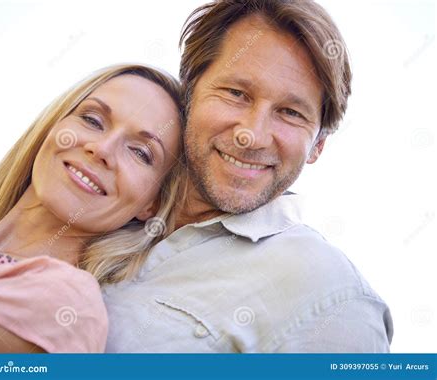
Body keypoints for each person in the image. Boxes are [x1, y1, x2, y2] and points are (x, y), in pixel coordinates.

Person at [103, 0, 393, 352]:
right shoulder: (103, 203)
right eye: (236, 94)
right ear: (189, 93)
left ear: (318, 145)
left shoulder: (334, 296)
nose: (251, 136)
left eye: (290, 113)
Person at [0, 64, 182, 353]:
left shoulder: (69, 302)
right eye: (92, 120)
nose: (102, 149)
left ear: (151, 204)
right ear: (55, 124)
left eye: (141, 152)